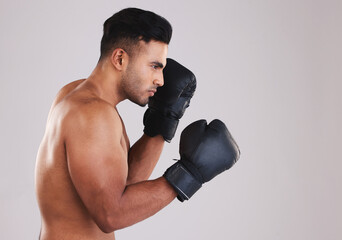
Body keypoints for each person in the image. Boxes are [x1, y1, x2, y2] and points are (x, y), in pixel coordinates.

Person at [35, 7, 240, 240]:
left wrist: (163, 120)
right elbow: (110, 215)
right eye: (154, 66)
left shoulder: (77, 95)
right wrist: (187, 175)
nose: (160, 80)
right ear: (120, 58)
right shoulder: (92, 114)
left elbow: (123, 183)